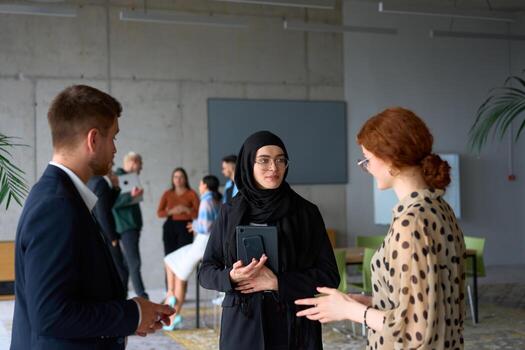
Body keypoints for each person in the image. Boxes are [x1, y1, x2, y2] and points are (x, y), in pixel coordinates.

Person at [10, 85, 174, 350]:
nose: (115, 149)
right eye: (114, 138)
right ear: (93, 140)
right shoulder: (56, 205)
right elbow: (50, 315)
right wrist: (132, 315)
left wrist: (132, 316)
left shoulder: (60, 196)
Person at [296, 107, 466, 350]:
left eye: (367, 159)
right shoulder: (439, 209)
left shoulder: (411, 221)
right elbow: (426, 304)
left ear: (389, 158)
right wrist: (365, 302)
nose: (367, 167)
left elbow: (413, 331)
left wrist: (352, 311)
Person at [199, 130, 340, 350]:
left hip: (294, 324)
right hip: (243, 323)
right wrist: (231, 277)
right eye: (264, 160)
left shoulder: (306, 212)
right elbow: (206, 272)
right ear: (248, 164)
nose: (273, 168)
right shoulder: (230, 212)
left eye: (280, 160)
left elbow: (329, 276)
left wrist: (277, 282)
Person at [162, 175, 222, 330]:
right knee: (170, 259)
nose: (199, 185)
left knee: (181, 276)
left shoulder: (206, 201)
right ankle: (170, 294)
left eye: (200, 183)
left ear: (205, 185)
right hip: (202, 243)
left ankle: (174, 316)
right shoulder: (216, 200)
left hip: (202, 245)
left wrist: (194, 225)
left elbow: (205, 227)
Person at [113, 152, 149, 299]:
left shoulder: (129, 179)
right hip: (126, 227)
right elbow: (113, 203)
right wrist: (131, 196)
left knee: (127, 264)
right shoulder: (119, 178)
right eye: (140, 163)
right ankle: (142, 296)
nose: (141, 167)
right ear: (133, 162)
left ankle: (122, 295)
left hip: (131, 227)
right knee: (134, 263)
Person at [87, 167, 129, 287]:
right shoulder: (101, 183)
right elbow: (103, 213)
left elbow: (106, 205)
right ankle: (121, 301)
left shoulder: (92, 181)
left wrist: (115, 188)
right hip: (106, 235)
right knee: (120, 271)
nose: (112, 168)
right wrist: (112, 238)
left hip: (97, 233)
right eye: (111, 164)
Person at [156, 167, 200, 256]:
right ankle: (168, 271)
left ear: (185, 179)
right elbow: (159, 213)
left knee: (184, 255)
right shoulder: (167, 193)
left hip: (186, 226)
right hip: (170, 225)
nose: (178, 180)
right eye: (175, 177)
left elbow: (199, 214)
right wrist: (171, 211)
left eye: (181, 177)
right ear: (172, 179)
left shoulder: (191, 193)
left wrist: (186, 210)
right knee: (169, 255)